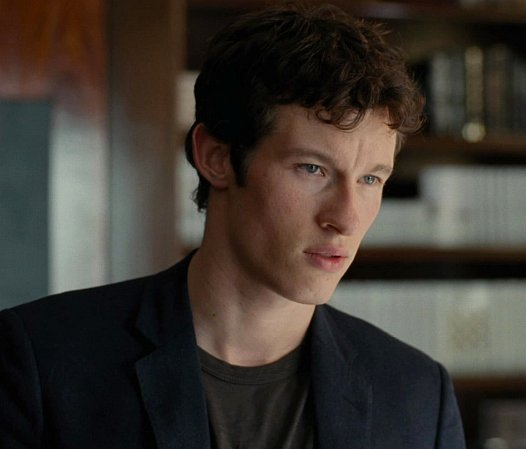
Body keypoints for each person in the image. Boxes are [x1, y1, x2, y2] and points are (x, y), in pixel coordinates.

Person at [0, 3, 466, 448]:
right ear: (215, 157)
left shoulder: (418, 395)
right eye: (312, 168)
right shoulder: (43, 362)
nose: (346, 218)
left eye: (370, 179)